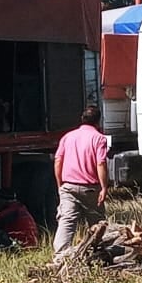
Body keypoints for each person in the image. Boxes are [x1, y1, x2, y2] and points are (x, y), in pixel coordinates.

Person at [52, 104, 109, 261]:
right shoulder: (99, 138)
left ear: (81, 119)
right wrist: (104, 187)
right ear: (98, 121)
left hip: (68, 186)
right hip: (90, 188)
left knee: (67, 220)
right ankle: (98, 255)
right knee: (97, 223)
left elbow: (58, 161)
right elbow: (101, 163)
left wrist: (60, 185)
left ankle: (60, 257)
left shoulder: (68, 137)